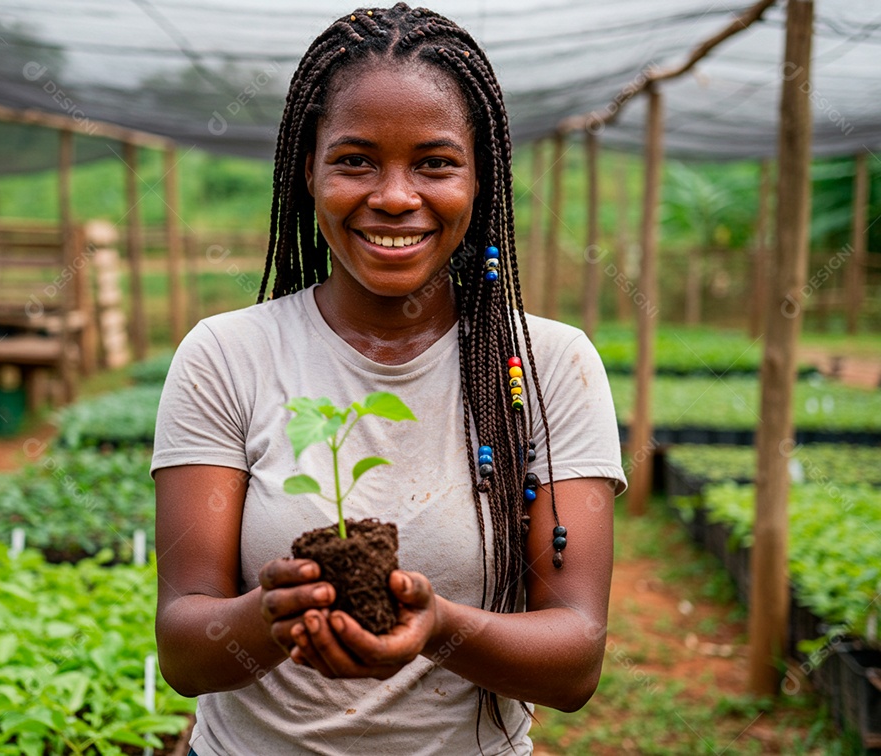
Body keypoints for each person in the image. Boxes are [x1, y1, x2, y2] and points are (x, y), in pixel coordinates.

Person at [152, 4, 626, 754]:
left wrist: (439, 628)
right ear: (308, 170)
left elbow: (573, 662)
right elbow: (184, 647)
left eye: (435, 162)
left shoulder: (546, 369)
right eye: (356, 159)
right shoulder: (224, 356)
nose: (396, 196)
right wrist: (273, 616)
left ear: (480, 179)